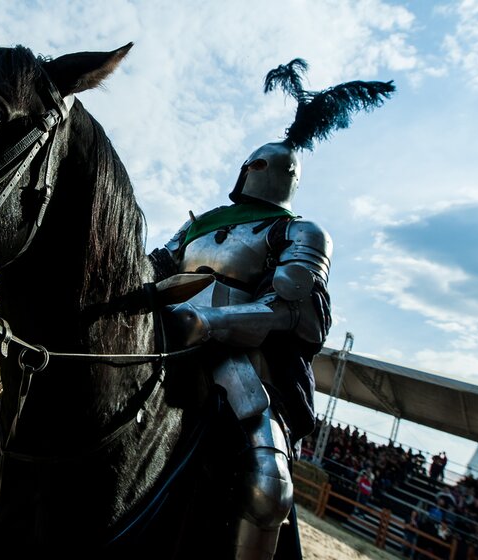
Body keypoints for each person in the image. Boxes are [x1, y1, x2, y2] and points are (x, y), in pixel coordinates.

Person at [150, 59, 394, 559]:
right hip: (161, 335)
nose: (251, 171)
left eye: (262, 165)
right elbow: (157, 265)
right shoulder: (205, 220)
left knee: (268, 486)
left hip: (243, 364)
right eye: (251, 162)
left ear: (285, 176)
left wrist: (209, 321)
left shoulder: (302, 232)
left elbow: (284, 311)